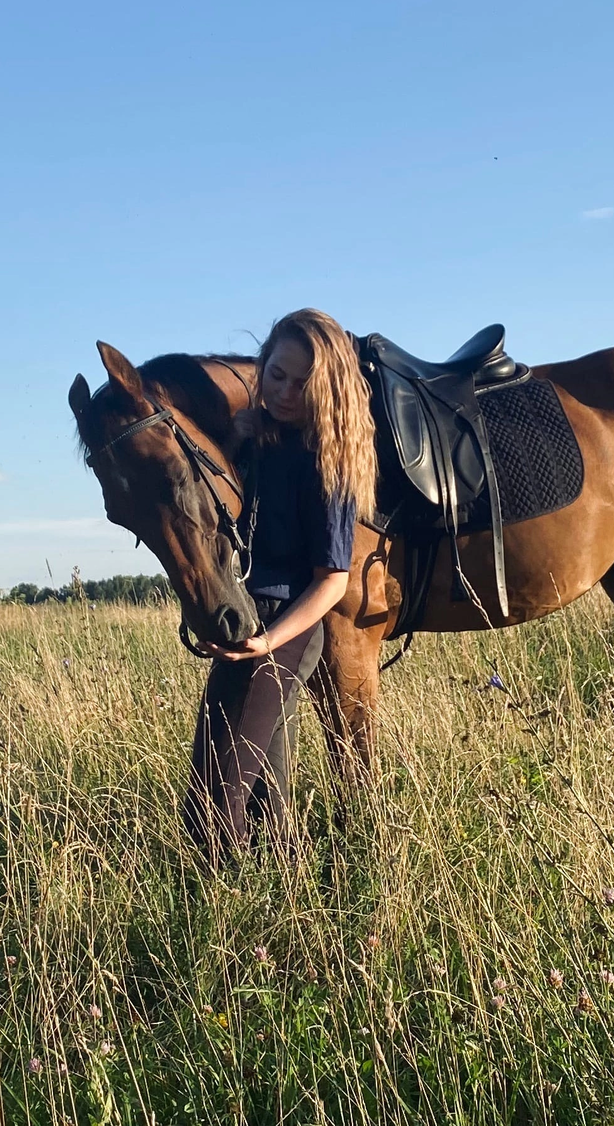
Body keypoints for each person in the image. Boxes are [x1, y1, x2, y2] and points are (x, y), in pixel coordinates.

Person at [181, 308, 377, 864]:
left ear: (328, 388)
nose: (286, 392)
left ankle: (226, 921)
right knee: (268, 798)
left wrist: (269, 644)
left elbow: (333, 582)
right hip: (245, 621)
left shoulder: (328, 460)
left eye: (303, 382)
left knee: (213, 803)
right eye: (277, 375)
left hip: (283, 628)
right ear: (262, 366)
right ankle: (287, 912)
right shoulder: (253, 439)